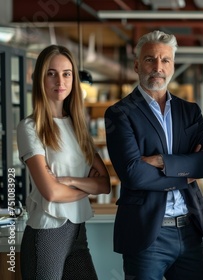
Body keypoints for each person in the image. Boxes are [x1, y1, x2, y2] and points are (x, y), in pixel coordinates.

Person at [104, 30, 203, 280]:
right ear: (137, 65)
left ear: (172, 66)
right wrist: (185, 174)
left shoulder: (189, 111)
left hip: (190, 231)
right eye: (150, 59)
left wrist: (161, 162)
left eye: (165, 60)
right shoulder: (120, 113)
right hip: (147, 234)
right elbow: (134, 174)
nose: (158, 67)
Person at [17, 45, 111, 279]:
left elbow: (104, 184)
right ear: (41, 78)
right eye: (51, 73)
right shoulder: (31, 128)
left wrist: (68, 181)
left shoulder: (79, 128)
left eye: (67, 73)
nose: (60, 80)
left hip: (78, 233)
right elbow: (50, 192)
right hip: (47, 232)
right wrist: (84, 186)